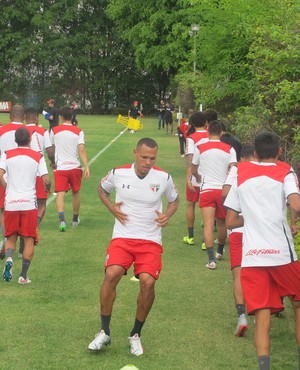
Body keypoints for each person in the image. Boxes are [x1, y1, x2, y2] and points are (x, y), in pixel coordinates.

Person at [88, 138, 179, 356]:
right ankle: (104, 331)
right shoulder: (118, 173)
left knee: (147, 282)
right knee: (112, 273)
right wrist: (112, 208)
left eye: (152, 158)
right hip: (123, 236)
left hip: (150, 240)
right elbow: (102, 188)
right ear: (135, 153)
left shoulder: (164, 177)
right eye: (144, 157)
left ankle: (135, 334)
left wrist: (168, 214)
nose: (148, 162)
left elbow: (175, 200)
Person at [225, 132, 300, 370]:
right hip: (281, 254)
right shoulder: (285, 170)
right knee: (298, 305)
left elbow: (230, 222)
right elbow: (296, 204)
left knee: (262, 316)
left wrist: (255, 216)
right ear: (279, 152)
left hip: (253, 257)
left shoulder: (240, 172)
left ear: (255, 154)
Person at [1, 127, 51, 284]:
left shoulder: (6, 154)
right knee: (29, 239)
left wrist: (6, 187)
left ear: (15, 140)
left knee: (10, 236)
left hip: (11, 203)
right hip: (29, 204)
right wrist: (48, 190)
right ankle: (23, 276)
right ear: (29, 140)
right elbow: (46, 180)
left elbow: (0, 174)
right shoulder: (37, 156)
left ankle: (9, 257)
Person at [191, 120, 237, 269]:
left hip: (207, 190)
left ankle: (211, 260)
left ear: (208, 131)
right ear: (222, 132)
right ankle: (219, 251)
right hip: (223, 191)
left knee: (208, 225)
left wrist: (197, 177)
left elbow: (193, 167)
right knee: (223, 222)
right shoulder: (229, 149)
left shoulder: (201, 147)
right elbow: (234, 169)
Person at [222, 144, 255, 337]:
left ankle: (241, 316)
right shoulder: (272, 172)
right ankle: (271, 308)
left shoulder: (236, 170)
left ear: (242, 158)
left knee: (238, 275)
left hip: (237, 230)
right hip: (259, 231)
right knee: (262, 271)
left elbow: (225, 193)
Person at [17, 108, 55, 258]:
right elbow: (50, 151)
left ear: (26, 118)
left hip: (23, 174)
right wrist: (53, 163)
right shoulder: (42, 131)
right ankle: (32, 231)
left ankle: (22, 241)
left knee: (23, 206)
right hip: (39, 172)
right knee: (41, 205)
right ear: (37, 119)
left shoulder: (21, 131)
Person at [49, 106, 89, 231]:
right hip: (75, 167)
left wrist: (53, 162)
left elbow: (52, 148)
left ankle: (62, 221)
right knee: (75, 192)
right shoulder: (79, 131)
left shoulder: (54, 130)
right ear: (72, 117)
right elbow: (81, 150)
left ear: (61, 117)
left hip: (60, 168)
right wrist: (86, 167)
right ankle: (75, 219)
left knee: (60, 194)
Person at [0, 104, 24, 259]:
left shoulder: (1, 130)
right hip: (24, 176)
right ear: (22, 116)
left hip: (5, 175)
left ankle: (5, 242)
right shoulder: (29, 130)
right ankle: (22, 246)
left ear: (10, 116)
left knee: (3, 210)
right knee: (23, 211)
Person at [183, 111, 208, 246]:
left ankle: (190, 236)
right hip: (209, 176)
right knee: (208, 207)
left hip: (195, 175)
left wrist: (189, 176)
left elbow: (190, 159)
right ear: (206, 123)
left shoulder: (191, 138)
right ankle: (206, 240)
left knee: (190, 204)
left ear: (192, 123)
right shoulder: (212, 136)